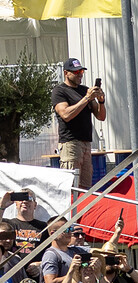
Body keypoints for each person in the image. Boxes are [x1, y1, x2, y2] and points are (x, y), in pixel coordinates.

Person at [51, 59, 104, 187]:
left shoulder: (84, 90)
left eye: (81, 71)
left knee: (85, 187)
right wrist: (86, 98)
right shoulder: (59, 91)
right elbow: (66, 115)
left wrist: (101, 101)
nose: (80, 74)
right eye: (76, 72)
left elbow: (101, 116)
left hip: (86, 143)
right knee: (71, 185)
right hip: (70, 143)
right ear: (66, 73)